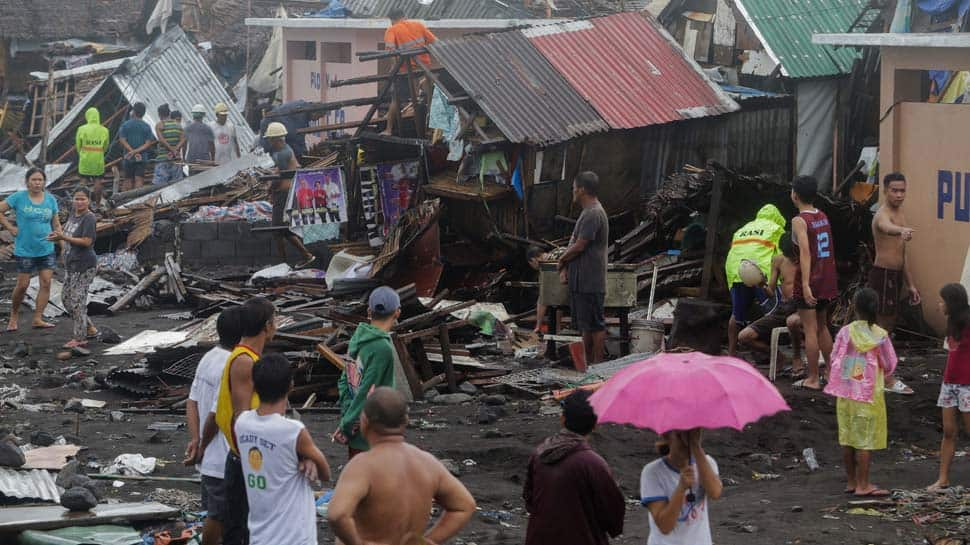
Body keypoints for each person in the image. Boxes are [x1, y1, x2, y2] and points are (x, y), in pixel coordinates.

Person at [327, 387, 476, 545]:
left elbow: (337, 514)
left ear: (365, 421)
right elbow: (465, 505)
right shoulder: (428, 462)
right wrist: (429, 541)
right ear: (405, 421)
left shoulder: (363, 465)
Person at [236, 353, 331, 545]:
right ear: (291, 386)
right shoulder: (293, 431)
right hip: (294, 535)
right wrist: (307, 458)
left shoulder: (242, 423)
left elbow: (276, 455)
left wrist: (301, 458)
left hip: (259, 534)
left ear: (254, 385)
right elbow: (325, 473)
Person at [210, 297, 277, 545]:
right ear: (267, 326)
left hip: (247, 456)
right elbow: (242, 416)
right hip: (246, 459)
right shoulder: (244, 361)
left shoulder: (247, 357)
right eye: (275, 320)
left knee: (246, 528)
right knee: (240, 530)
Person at [523, 390, 625, 545]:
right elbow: (613, 516)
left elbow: (530, 500)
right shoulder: (594, 464)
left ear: (562, 419)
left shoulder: (539, 455)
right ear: (595, 425)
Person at [824, 288, 897, 496]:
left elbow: (834, 357)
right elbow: (889, 363)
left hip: (846, 390)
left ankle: (851, 481)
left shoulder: (846, 332)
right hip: (868, 392)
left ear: (855, 307)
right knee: (865, 439)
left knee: (847, 437)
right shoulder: (880, 335)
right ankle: (864, 485)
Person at [184, 307, 241, 545]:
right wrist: (203, 445)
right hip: (221, 460)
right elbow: (217, 416)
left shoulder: (210, 356)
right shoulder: (232, 364)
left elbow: (192, 401)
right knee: (220, 520)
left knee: (213, 516)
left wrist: (195, 439)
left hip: (209, 461)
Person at [335, 286, 400, 459]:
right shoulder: (382, 348)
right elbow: (368, 392)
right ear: (397, 313)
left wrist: (347, 417)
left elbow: (345, 381)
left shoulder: (357, 338)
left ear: (369, 311)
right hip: (374, 433)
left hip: (356, 428)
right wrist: (347, 424)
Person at [869, 172, 918, 395]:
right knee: (881, 328)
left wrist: (911, 285)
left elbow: (903, 253)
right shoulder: (883, 214)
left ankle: (874, 373)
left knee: (885, 328)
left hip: (895, 276)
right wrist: (901, 231)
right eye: (894, 190)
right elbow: (886, 227)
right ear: (885, 191)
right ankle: (886, 378)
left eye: (902, 190)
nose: (899, 195)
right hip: (883, 275)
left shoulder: (901, 212)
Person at [790, 175, 838, 390]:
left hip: (811, 278)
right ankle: (830, 371)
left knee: (809, 329)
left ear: (795, 194)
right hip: (826, 277)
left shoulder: (799, 220)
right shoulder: (824, 216)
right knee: (822, 326)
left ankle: (812, 378)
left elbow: (805, 252)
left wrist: (806, 283)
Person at [0, 168, 61, 331]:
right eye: (34, 180)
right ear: (27, 182)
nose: (37, 183)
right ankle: (14, 316)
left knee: (46, 282)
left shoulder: (50, 200)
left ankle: (38, 318)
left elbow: (56, 222)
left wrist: (60, 236)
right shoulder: (18, 197)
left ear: (44, 182)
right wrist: (10, 227)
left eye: (40, 180)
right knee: (22, 285)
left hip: (46, 247)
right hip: (25, 249)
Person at [558, 172, 609, 364]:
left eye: (574, 188)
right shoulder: (586, 212)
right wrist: (565, 266)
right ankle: (588, 364)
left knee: (595, 324)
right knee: (586, 325)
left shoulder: (594, 213)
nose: (573, 191)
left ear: (582, 190)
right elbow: (574, 243)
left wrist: (561, 260)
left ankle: (598, 366)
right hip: (582, 280)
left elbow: (580, 245)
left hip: (591, 279)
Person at [724, 204, 787, 357]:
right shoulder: (776, 229)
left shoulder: (742, 229)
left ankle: (732, 353)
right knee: (773, 314)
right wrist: (782, 281)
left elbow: (732, 254)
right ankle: (772, 354)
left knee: (736, 315)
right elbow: (782, 258)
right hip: (761, 273)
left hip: (737, 271)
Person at [641, 430, 722, 545]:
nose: (686, 442)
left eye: (694, 434)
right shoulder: (653, 472)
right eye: (680, 436)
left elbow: (715, 493)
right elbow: (665, 526)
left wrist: (695, 446)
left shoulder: (707, 463)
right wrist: (681, 488)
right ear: (666, 436)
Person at [738, 233, 803, 369]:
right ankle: (778, 356)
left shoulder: (807, 259)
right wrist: (760, 283)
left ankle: (797, 358)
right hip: (783, 307)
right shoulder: (778, 260)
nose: (793, 258)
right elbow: (770, 293)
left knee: (793, 322)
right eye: (790, 255)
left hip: (802, 306)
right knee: (744, 336)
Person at [928, 283, 970, 491]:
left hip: (967, 385)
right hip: (950, 383)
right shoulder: (952, 323)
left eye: (942, 301)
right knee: (949, 432)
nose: (939, 304)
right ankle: (943, 479)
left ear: (951, 303)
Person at [50, 187, 98, 348]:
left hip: (84, 265)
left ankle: (80, 338)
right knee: (66, 299)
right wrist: (57, 238)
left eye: (83, 199)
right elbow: (66, 233)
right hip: (72, 264)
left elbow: (86, 242)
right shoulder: (73, 214)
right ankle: (89, 328)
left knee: (77, 301)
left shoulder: (89, 218)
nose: (79, 202)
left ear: (89, 200)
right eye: (77, 198)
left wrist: (63, 237)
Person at [264, 122, 315, 268]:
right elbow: (281, 172)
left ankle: (301, 257)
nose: (269, 142)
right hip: (285, 192)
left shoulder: (283, 153)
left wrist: (269, 189)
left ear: (277, 139)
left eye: (271, 139)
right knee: (280, 230)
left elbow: (279, 177)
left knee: (278, 229)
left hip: (284, 193)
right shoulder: (286, 151)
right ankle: (285, 263)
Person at [383, 8, 436, 136]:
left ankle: (388, 130)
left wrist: (393, 69)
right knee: (429, 98)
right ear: (404, 16)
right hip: (424, 67)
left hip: (405, 69)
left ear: (392, 20)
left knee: (396, 99)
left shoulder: (392, 29)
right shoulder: (418, 25)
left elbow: (390, 50)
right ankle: (430, 129)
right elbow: (434, 42)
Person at [118, 102, 156, 191]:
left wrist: (131, 151)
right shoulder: (146, 126)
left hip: (128, 157)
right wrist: (136, 151)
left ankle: (125, 201)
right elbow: (147, 144)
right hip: (142, 158)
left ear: (133, 111)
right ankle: (136, 202)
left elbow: (122, 140)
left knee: (127, 179)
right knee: (139, 179)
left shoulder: (125, 125)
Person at [74, 107, 109, 201]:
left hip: (85, 159)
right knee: (98, 182)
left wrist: (82, 154)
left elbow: (78, 145)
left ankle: (81, 203)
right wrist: (99, 152)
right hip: (98, 159)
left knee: (83, 182)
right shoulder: (104, 130)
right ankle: (97, 204)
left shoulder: (81, 129)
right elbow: (105, 146)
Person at [154, 103, 185, 186]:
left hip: (163, 159)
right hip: (176, 160)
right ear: (169, 113)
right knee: (177, 186)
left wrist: (172, 150)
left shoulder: (159, 125)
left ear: (159, 114)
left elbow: (162, 140)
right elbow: (183, 140)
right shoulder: (178, 125)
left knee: (159, 187)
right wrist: (175, 150)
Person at [528, 246, 552, 334]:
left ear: (533, 260)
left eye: (531, 264)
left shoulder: (546, 267)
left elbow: (542, 299)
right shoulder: (555, 255)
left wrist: (538, 326)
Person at [185, 104, 216, 173]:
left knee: (192, 179)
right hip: (204, 159)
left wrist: (184, 157)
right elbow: (212, 146)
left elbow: (184, 144)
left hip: (191, 159)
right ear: (203, 115)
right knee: (204, 181)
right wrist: (213, 160)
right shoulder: (207, 129)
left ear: (193, 115)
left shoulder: (188, 128)